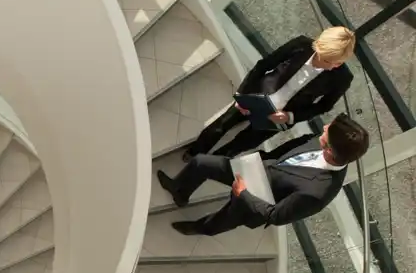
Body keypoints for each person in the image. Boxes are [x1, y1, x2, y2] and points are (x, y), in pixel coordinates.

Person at [156, 113, 369, 236]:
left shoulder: (318, 192)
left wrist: (244, 194)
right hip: (252, 169)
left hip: (253, 201)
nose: (323, 127)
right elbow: (284, 151)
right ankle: (180, 191)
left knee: (219, 222)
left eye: (327, 131)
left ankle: (197, 228)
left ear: (330, 150)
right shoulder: (319, 140)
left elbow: (276, 216)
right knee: (201, 162)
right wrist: (260, 159)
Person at [183, 26, 356, 161]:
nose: (318, 61)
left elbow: (323, 106)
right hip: (257, 95)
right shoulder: (301, 45)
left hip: (279, 117)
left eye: (326, 61)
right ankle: (194, 152)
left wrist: (290, 117)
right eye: (318, 54)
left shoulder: (342, 78)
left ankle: (203, 167)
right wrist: (243, 93)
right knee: (221, 124)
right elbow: (264, 65)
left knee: (238, 145)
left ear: (338, 64)